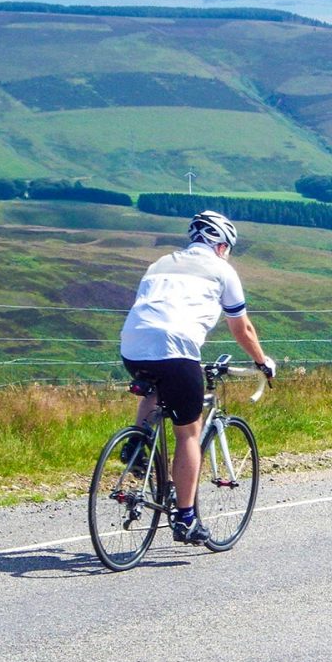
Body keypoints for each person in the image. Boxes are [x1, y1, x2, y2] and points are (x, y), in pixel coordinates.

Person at [119, 210, 275, 545]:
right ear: (221, 245)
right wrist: (262, 362)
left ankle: (137, 444)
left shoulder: (159, 263)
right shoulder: (223, 270)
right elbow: (242, 327)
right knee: (188, 433)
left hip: (132, 346)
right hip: (176, 348)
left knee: (158, 387)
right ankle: (186, 519)